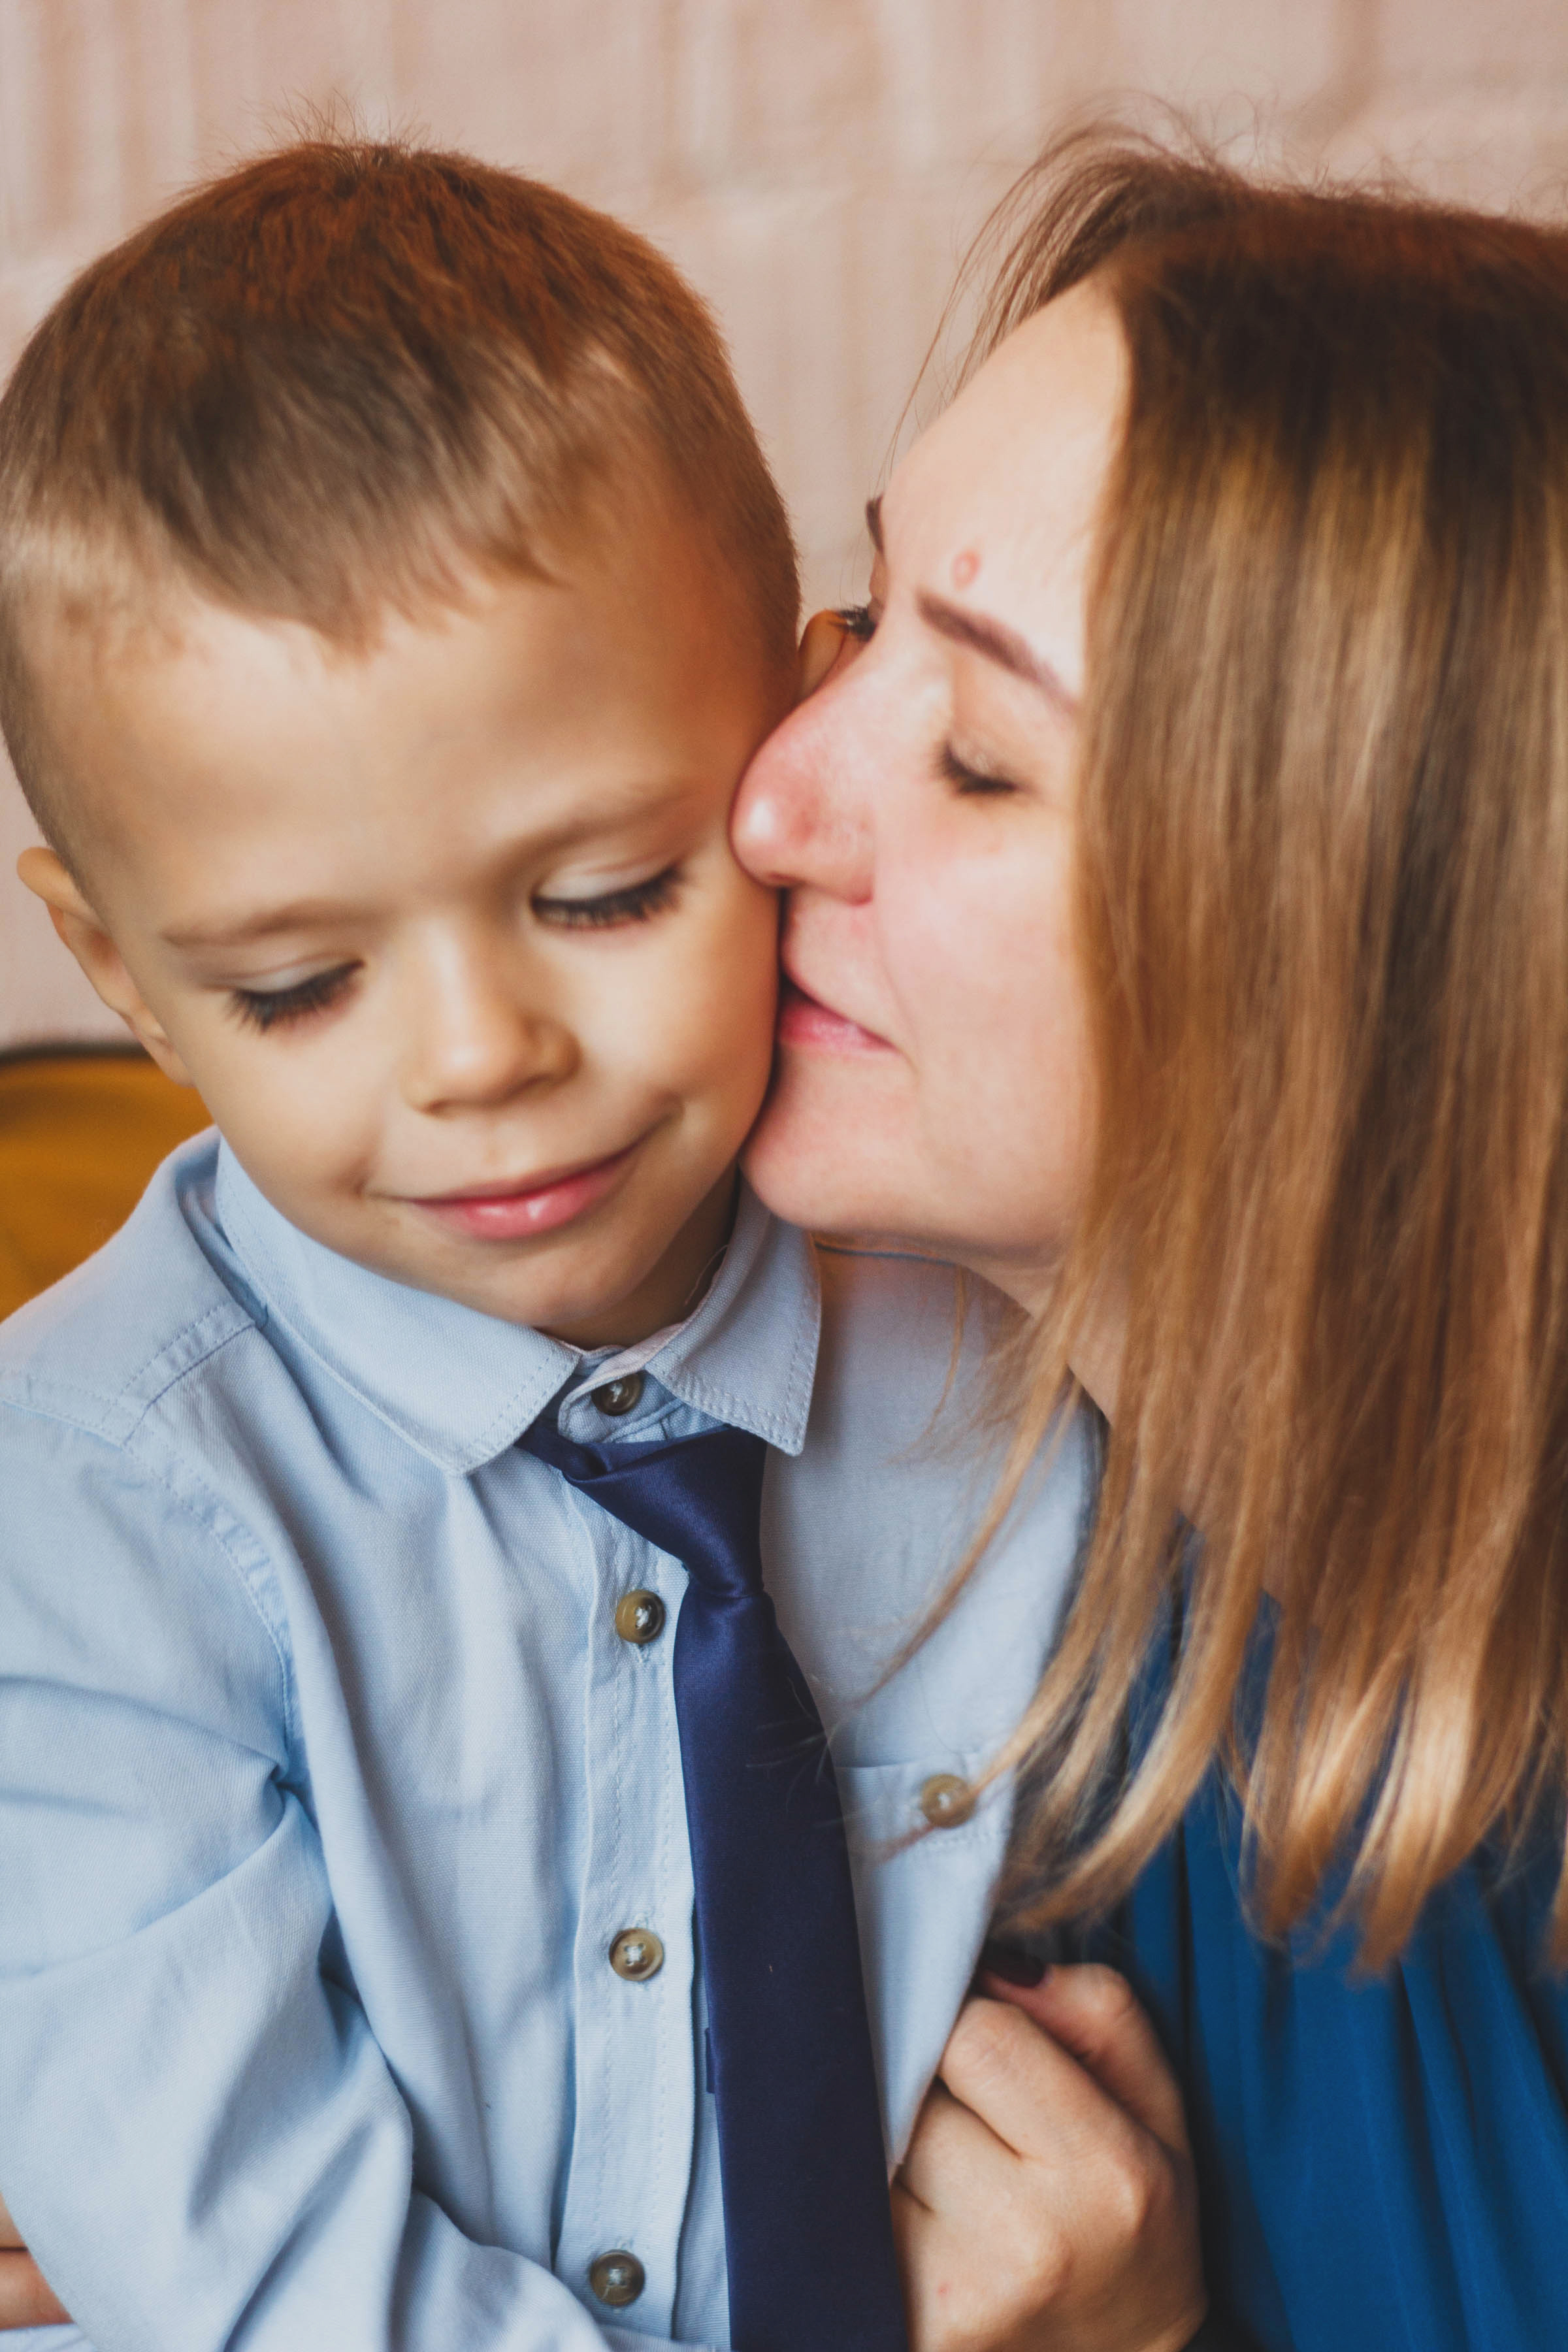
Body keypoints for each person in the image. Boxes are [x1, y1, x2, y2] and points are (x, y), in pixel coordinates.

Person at [0, 136, 1152, 2352]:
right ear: (126, 977)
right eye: (295, 984)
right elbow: (271, 2282)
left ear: (798, 742)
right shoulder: (85, 1515)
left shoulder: (1008, 1347)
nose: (480, 1058)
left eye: (609, 895)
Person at [731, 131, 1568, 2350]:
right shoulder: (930, 1579)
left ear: (1383, 965)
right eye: (859, 610)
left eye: (981, 756)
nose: (769, 797)